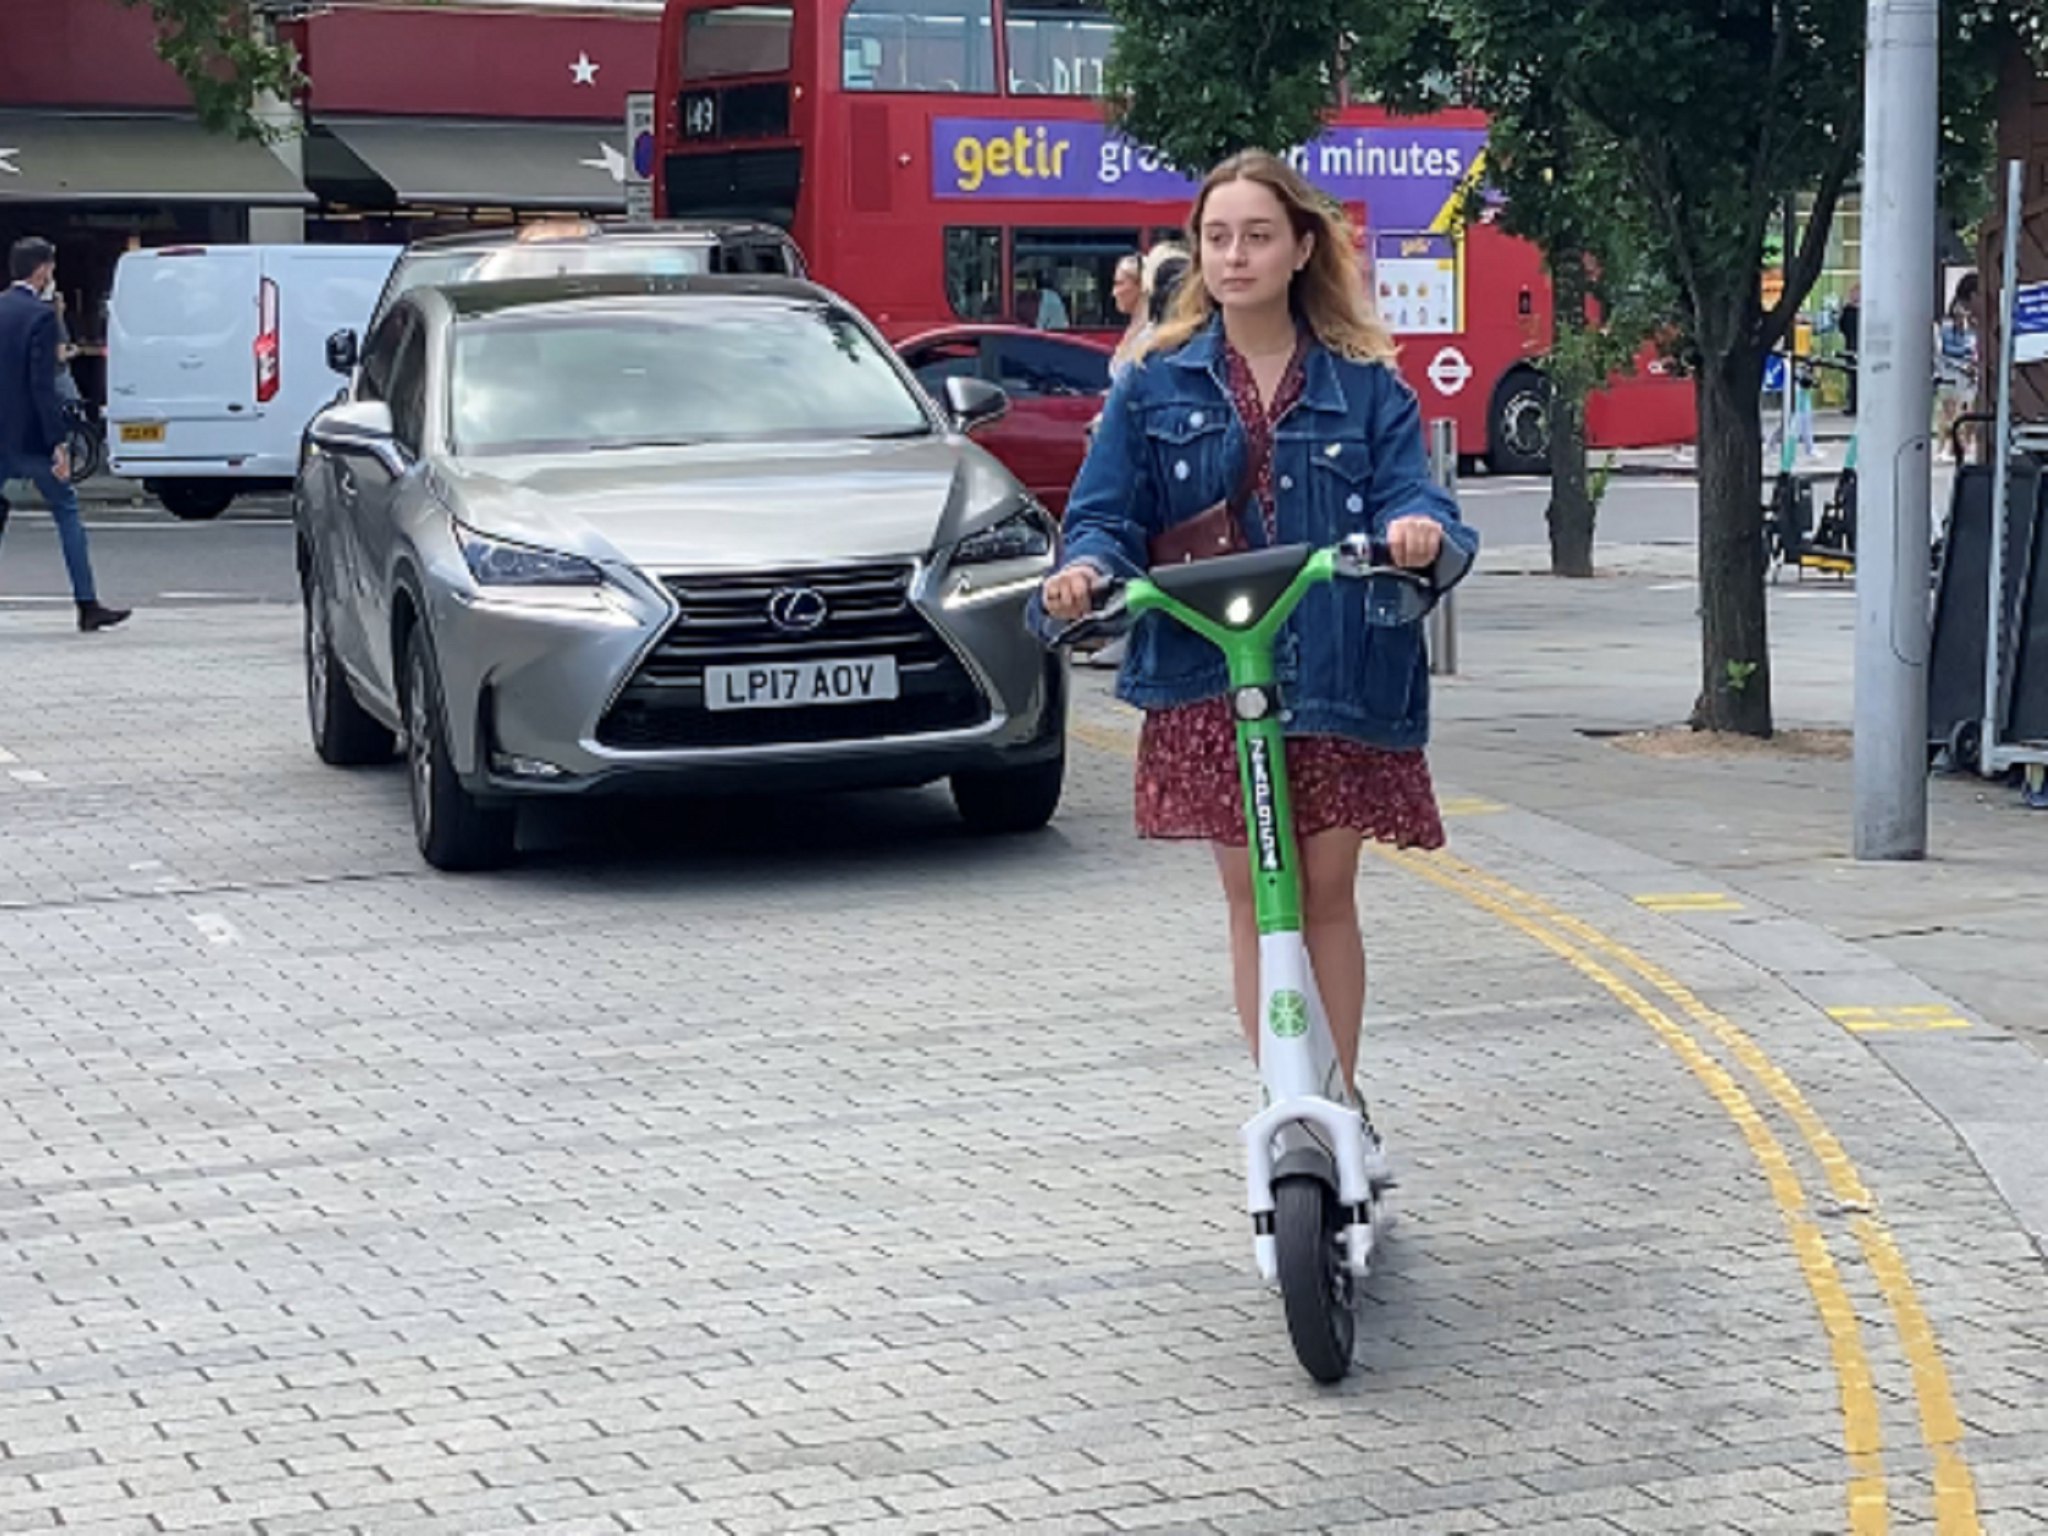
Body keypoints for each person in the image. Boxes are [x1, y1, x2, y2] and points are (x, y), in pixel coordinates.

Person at [1039, 151, 1475, 1149]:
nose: (1234, 255)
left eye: (1256, 236)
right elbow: (1103, 517)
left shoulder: (1365, 385)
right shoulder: (1153, 385)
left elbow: (1418, 494)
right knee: (1252, 898)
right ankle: (1289, 1101)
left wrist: (1414, 531)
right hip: (1209, 673)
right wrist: (1082, 572)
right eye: (1216, 237)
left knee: (1323, 893)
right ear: (1196, 253)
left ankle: (1337, 1099)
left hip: (1334, 671)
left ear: (1300, 248)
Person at [0, 237, 129, 631]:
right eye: (51, 268)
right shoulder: (39, 317)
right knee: (66, 510)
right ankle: (87, 603)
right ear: (41, 269)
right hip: (30, 438)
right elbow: (42, 385)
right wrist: (57, 441)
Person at [1107, 252, 1146, 379]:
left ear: (1141, 286)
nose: (1114, 293)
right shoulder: (1133, 330)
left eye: (1119, 284)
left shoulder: (1149, 336)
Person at [1837, 284, 1860, 415]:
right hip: (1852, 348)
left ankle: (1854, 405)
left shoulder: (1854, 311)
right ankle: (1853, 405)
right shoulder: (1849, 310)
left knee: (1855, 378)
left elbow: (1843, 327)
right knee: (1852, 379)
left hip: (1855, 347)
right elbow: (1843, 328)